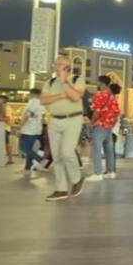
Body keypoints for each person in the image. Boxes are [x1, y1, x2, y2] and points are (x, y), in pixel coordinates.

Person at [41, 56, 87, 201]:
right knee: (57, 156)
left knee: (67, 152)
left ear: (68, 67)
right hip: (54, 120)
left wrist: (64, 82)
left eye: (61, 64)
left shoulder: (76, 80)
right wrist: (61, 95)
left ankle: (76, 179)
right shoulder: (49, 82)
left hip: (72, 119)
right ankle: (60, 189)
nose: (57, 66)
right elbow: (43, 100)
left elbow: (74, 97)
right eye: (56, 63)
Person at [86, 76, 120, 182]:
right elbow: (116, 113)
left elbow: (96, 111)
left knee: (96, 147)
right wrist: (111, 124)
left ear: (101, 83)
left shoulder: (99, 95)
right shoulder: (112, 96)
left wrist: (91, 123)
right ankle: (110, 172)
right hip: (108, 126)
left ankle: (97, 173)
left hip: (100, 124)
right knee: (108, 148)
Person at [19, 89, 45, 175]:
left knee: (24, 148)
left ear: (32, 94)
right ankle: (27, 167)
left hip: (28, 129)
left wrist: (20, 127)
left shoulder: (33, 102)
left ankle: (40, 160)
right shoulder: (41, 103)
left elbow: (27, 116)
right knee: (29, 149)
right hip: (36, 129)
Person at [0, 95, 15, 164]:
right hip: (0, 128)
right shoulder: (1, 107)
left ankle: (10, 159)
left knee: (6, 144)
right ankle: (3, 158)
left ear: (2, 100)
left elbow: (8, 119)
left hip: (4, 128)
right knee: (3, 144)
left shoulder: (6, 108)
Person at [109, 83, 122, 165]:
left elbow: (116, 115)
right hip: (112, 129)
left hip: (111, 129)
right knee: (110, 148)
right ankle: (110, 168)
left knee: (110, 148)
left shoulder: (112, 100)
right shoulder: (113, 99)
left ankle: (111, 169)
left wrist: (111, 126)